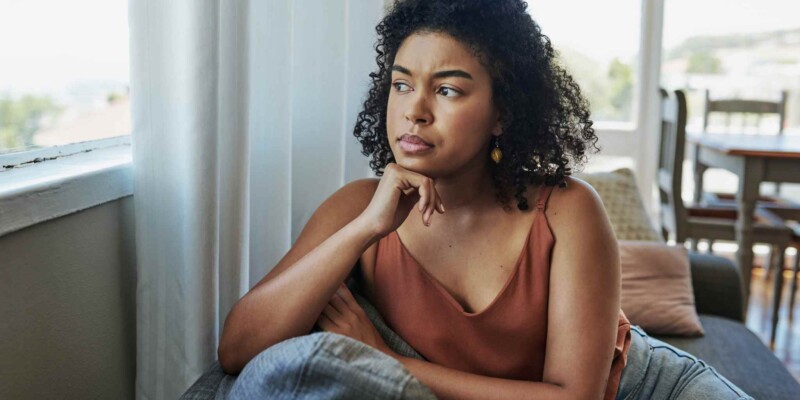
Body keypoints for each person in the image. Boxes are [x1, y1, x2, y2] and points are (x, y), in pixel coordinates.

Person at [218, 0, 753, 399]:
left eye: (447, 90)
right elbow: (238, 350)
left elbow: (574, 398)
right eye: (402, 85)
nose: (415, 111)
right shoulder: (358, 208)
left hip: (649, 389)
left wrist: (382, 360)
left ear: (503, 113)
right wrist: (365, 229)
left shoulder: (567, 210)